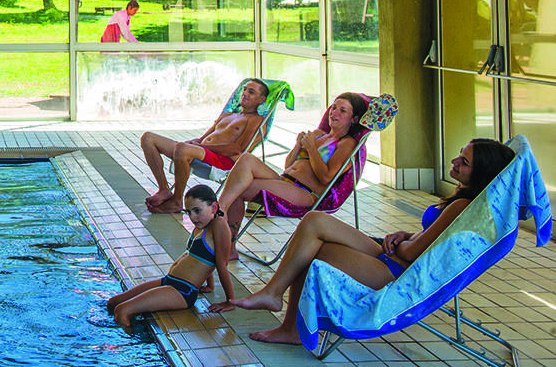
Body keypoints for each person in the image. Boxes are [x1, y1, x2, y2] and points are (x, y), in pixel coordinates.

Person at [210, 138, 516, 345]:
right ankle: (276, 299)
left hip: (397, 271)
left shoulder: (461, 206)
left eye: (464, 161)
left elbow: (415, 253)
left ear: (480, 173)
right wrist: (406, 235)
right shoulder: (462, 201)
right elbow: (428, 239)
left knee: (312, 248)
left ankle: (286, 318)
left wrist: (403, 243)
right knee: (314, 222)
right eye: (460, 154)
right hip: (394, 256)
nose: (455, 160)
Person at [215, 92, 370, 235]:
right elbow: (288, 166)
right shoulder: (318, 134)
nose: (334, 112)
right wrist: (298, 146)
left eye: (342, 111)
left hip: (305, 192)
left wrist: (311, 149)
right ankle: (220, 212)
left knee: (239, 188)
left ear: (354, 119)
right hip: (285, 181)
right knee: (246, 159)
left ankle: (219, 217)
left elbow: (326, 178)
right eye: (334, 107)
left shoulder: (347, 144)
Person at [106, 185, 235, 332]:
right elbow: (204, 257)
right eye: (189, 212)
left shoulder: (219, 224)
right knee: (113, 303)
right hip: (168, 281)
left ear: (214, 207)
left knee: (122, 311)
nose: (192, 217)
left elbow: (221, 264)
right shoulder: (201, 225)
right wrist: (209, 286)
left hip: (182, 291)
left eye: (197, 211)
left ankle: (129, 342)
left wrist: (230, 301)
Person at [142, 78, 270, 213]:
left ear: (261, 100)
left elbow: (238, 149)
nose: (245, 93)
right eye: (244, 90)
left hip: (223, 160)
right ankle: (164, 189)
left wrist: (200, 147)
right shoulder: (227, 115)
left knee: (183, 149)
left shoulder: (256, 120)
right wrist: (192, 143)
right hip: (202, 152)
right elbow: (202, 139)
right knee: (148, 138)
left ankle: (176, 201)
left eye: (251, 92)